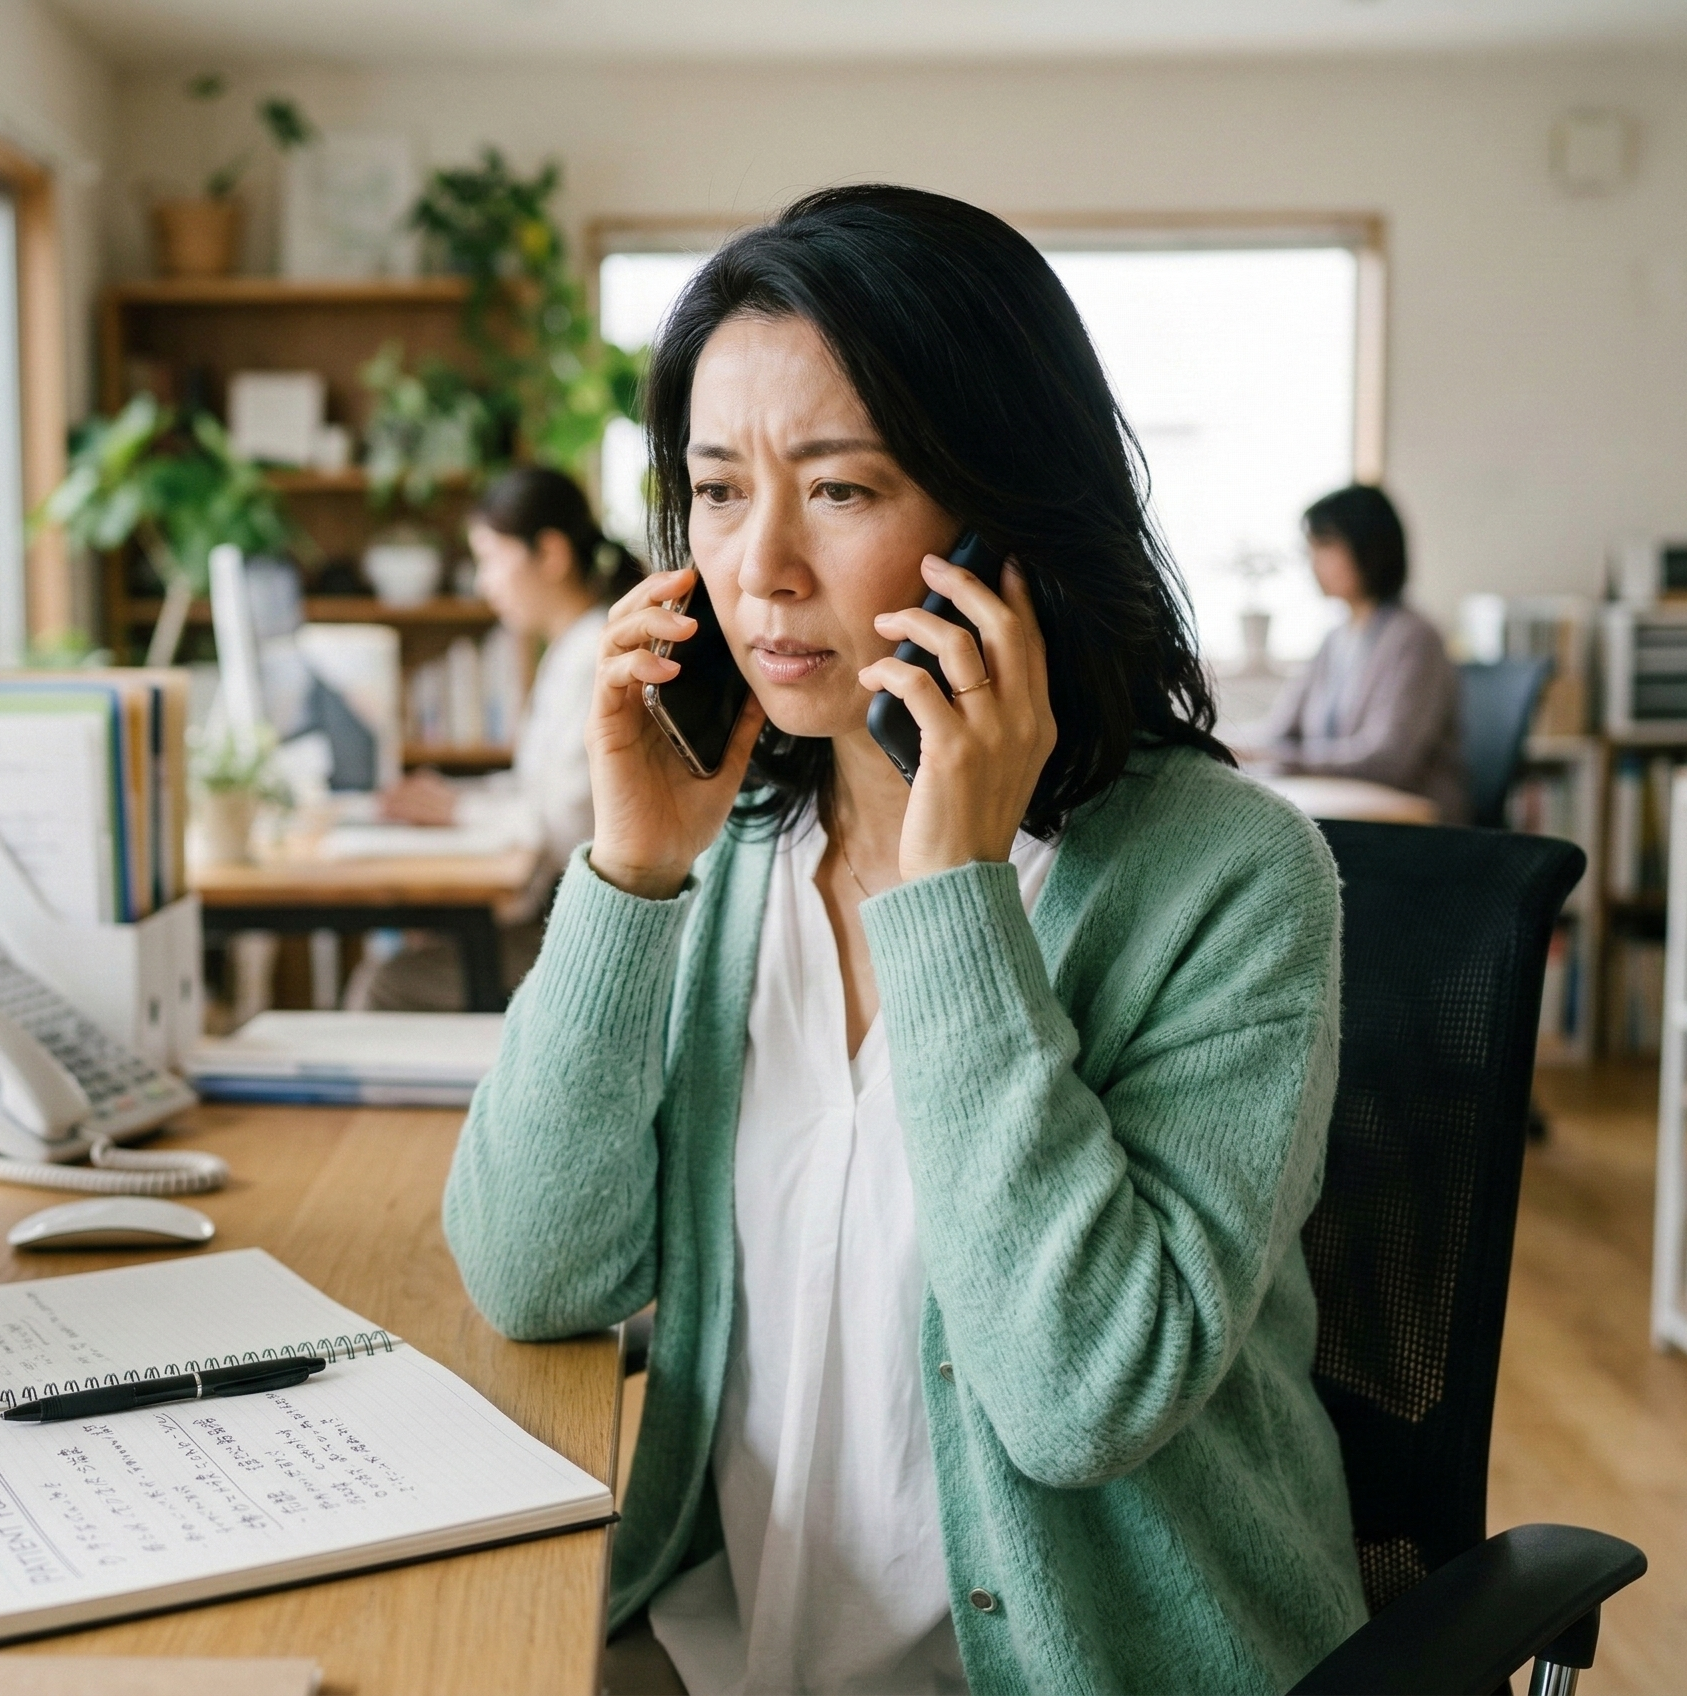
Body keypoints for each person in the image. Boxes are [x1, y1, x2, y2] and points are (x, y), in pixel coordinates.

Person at [443, 186, 1367, 1696]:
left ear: (1002, 521)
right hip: (726, 1649)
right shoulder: (733, 842)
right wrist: (629, 876)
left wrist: (950, 901)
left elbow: (1079, 1402)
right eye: (722, 490)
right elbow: (534, 1276)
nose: (761, 571)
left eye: (844, 489)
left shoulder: (1235, 881)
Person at [351, 467, 641, 1009]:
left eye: (491, 559)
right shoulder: (571, 648)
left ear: (550, 555)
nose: (485, 584)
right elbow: (542, 790)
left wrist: (460, 811)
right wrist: (459, 800)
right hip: (556, 913)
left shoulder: (592, 655)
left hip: (571, 932)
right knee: (392, 966)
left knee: (383, 984)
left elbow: (569, 827)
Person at [1244, 486, 1468, 823]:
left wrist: (1280, 757)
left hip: (1414, 823)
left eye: (1325, 546)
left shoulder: (1415, 638)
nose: (1314, 562)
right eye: (1311, 549)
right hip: (1350, 807)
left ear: (1369, 549)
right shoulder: (1335, 639)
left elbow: (1388, 760)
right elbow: (1279, 730)